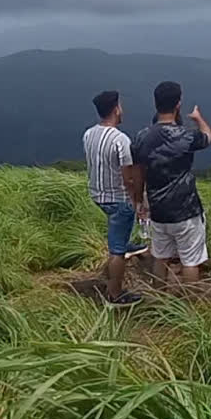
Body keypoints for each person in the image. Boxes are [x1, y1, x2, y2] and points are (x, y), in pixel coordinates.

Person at [130, 81, 211, 285]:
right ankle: (189, 305)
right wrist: (198, 118)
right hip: (186, 208)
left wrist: (140, 202)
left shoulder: (141, 137)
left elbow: (138, 173)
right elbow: (208, 137)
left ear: (156, 103)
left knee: (160, 256)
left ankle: (159, 300)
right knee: (190, 261)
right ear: (178, 104)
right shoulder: (185, 136)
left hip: (158, 209)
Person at [82, 90, 145, 306]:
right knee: (117, 250)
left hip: (98, 195)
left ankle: (123, 243)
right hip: (118, 199)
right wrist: (138, 201)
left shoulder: (88, 134)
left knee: (118, 232)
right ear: (116, 109)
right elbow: (128, 177)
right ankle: (115, 294)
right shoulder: (121, 140)